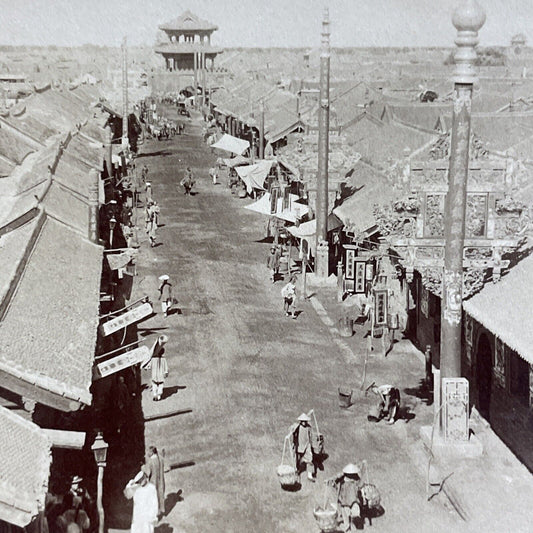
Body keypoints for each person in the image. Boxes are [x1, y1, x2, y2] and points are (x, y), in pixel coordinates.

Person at [332, 463, 364, 533]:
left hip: (349, 500)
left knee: (350, 514)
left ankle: (349, 526)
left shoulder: (353, 478)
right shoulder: (349, 478)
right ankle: (348, 527)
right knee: (347, 514)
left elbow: (360, 485)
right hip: (347, 500)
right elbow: (335, 481)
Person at [124, 469, 158, 533]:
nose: (142, 482)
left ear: (146, 478)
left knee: (147, 529)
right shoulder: (136, 488)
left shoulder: (151, 488)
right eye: (140, 481)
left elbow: (154, 503)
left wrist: (153, 515)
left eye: (143, 479)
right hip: (137, 515)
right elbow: (128, 495)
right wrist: (130, 484)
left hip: (147, 515)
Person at [289, 413, 316, 482]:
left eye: (305, 421)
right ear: (300, 421)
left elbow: (311, 436)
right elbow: (291, 430)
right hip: (299, 446)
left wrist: (312, 444)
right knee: (297, 460)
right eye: (302, 421)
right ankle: (297, 471)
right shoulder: (297, 427)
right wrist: (290, 432)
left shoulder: (309, 427)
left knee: (310, 459)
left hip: (307, 446)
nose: (304, 422)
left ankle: (310, 476)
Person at [144, 335, 169, 401]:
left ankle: (157, 395)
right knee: (157, 386)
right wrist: (166, 372)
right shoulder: (158, 359)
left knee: (157, 386)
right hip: (158, 376)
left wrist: (147, 367)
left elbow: (165, 366)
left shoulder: (158, 359)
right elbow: (165, 367)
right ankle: (157, 396)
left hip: (157, 376)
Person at [145, 446, 166, 517]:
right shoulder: (160, 458)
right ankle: (161, 510)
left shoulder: (150, 462)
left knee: (153, 498)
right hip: (160, 481)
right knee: (160, 495)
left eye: (148, 451)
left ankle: (155, 514)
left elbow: (147, 473)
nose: (147, 453)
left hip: (153, 482)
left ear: (152, 452)